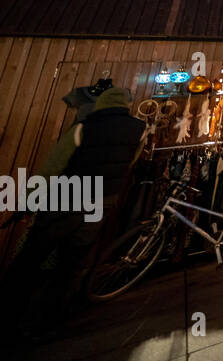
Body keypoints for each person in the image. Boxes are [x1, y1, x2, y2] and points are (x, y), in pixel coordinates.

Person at [0, 87, 144, 334]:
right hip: (100, 203)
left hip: (66, 200)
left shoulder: (83, 128)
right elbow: (128, 164)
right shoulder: (138, 131)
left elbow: (51, 169)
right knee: (71, 264)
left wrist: (27, 204)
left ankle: (7, 316)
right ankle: (52, 319)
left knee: (30, 259)